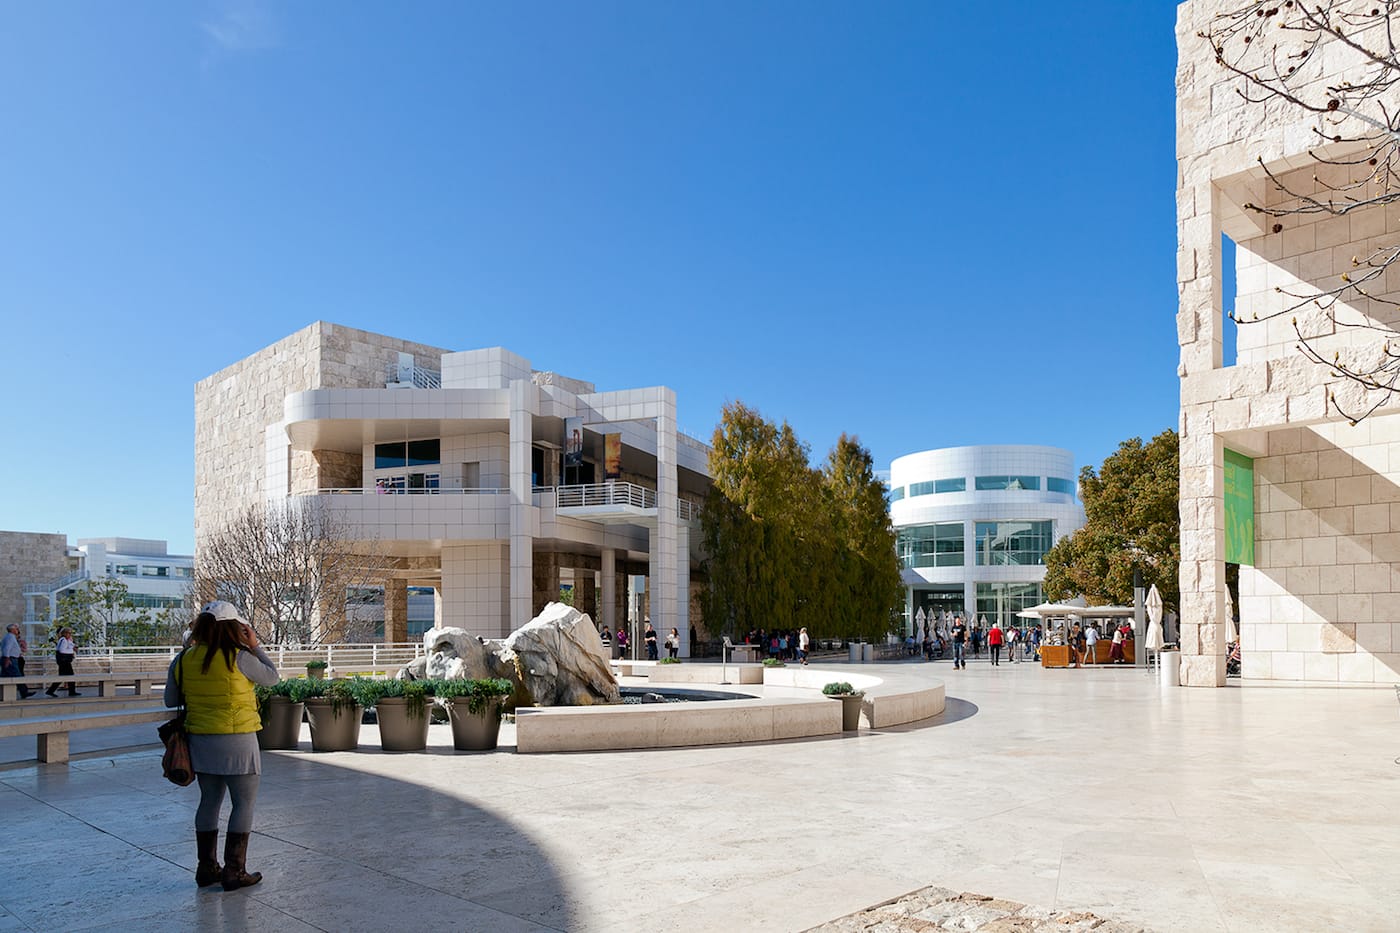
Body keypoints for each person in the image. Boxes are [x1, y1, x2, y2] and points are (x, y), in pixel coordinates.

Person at [166, 601, 278, 892]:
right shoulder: (240, 657)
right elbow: (272, 678)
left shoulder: (183, 659)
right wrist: (255, 646)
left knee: (209, 802)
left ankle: (206, 868)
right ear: (234, 628)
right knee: (243, 803)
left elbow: (170, 699)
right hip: (239, 741)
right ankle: (234, 870)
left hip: (201, 742)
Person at [2, 623, 35, 698]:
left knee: (4, 676)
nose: (18, 630)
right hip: (11, 659)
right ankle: (24, 692)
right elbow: (7, 648)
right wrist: (7, 658)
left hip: (11, 658)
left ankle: (24, 692)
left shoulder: (9, 636)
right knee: (17, 676)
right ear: (12, 630)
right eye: (16, 629)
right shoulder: (10, 637)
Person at [46, 627, 80, 697]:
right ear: (64, 633)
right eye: (68, 633)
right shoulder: (63, 640)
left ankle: (51, 690)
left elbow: (71, 645)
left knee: (64, 676)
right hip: (64, 661)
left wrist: (74, 647)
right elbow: (62, 650)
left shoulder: (67, 640)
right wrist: (71, 650)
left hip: (65, 661)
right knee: (68, 676)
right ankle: (71, 691)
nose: (70, 635)